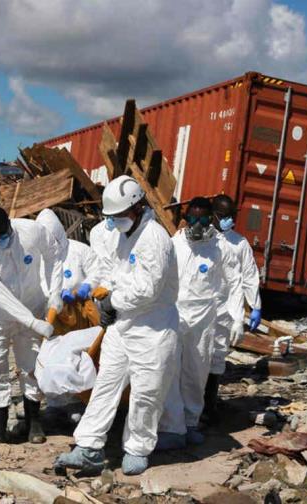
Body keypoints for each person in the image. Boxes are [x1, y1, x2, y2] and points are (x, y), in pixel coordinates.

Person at [55, 175, 179, 476]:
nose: (115, 221)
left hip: (152, 329)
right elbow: (114, 273)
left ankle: (137, 448)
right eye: (112, 216)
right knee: (106, 384)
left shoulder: (154, 238)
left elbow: (148, 290)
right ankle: (88, 447)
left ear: (138, 207)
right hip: (123, 326)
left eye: (120, 215)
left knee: (146, 393)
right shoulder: (125, 235)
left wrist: (114, 302)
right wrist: (104, 301)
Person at [0, 206, 65, 448]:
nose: (2, 241)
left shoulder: (31, 231)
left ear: (10, 226)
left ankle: (34, 423)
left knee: (32, 363)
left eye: (5, 235)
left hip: (31, 302)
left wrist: (55, 292)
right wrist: (32, 322)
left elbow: (54, 254)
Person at [157, 197, 243, 449]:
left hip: (204, 316)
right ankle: (169, 426)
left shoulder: (220, 248)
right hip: (175, 313)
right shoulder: (175, 244)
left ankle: (191, 422)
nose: (197, 225)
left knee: (196, 372)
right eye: (192, 219)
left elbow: (235, 282)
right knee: (169, 370)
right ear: (185, 219)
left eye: (203, 220)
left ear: (210, 221)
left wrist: (238, 317)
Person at [204, 195, 263, 421]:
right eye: (224, 216)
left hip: (225, 309)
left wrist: (255, 305)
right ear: (213, 215)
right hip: (198, 306)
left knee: (217, 357)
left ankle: (208, 407)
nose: (229, 220)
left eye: (231, 216)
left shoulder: (239, 244)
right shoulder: (202, 238)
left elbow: (249, 275)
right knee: (192, 357)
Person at [35, 209, 98, 333]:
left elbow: (97, 271)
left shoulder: (80, 250)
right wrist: (55, 295)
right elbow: (35, 287)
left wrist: (87, 286)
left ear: (59, 233)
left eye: (54, 239)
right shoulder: (37, 260)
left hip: (83, 313)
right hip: (55, 318)